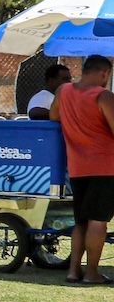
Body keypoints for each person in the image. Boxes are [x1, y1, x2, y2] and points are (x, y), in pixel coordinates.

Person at [54, 54, 114, 284]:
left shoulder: (63, 91)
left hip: (77, 166)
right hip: (106, 167)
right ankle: (91, 273)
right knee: (98, 221)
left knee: (81, 221)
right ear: (105, 73)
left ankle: (73, 271)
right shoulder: (104, 96)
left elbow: (53, 116)